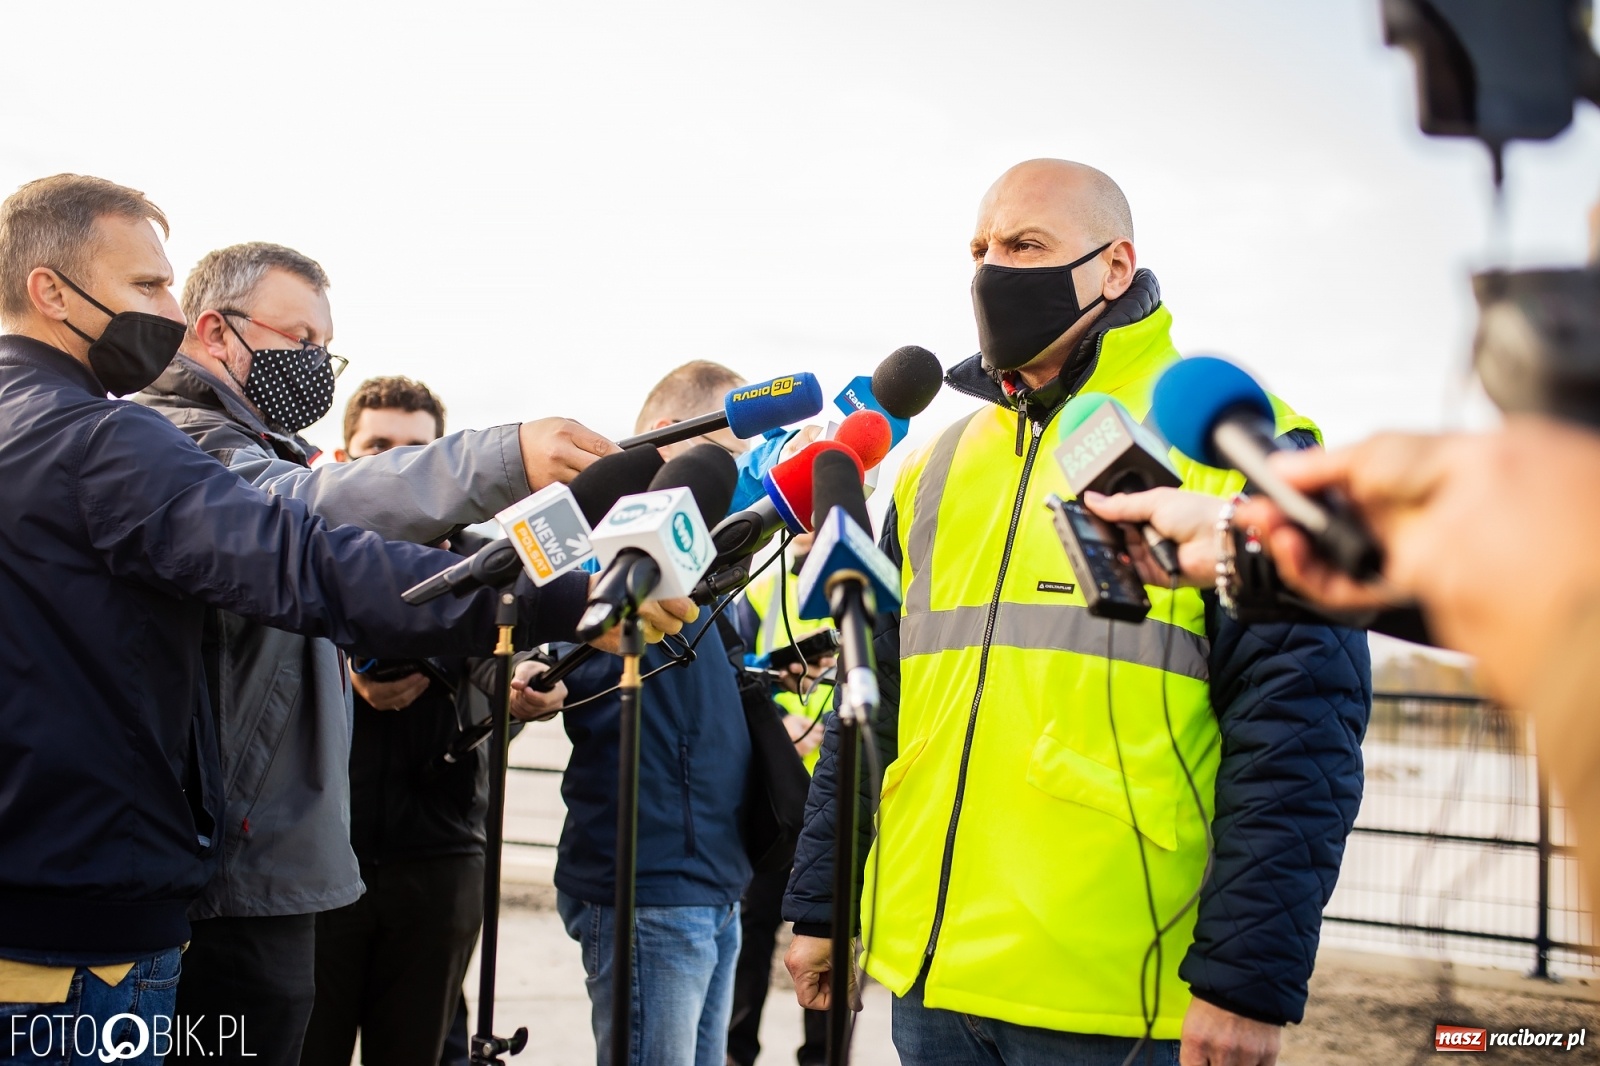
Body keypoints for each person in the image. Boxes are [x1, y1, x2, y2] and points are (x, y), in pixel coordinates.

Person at [0, 175, 691, 1064]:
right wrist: (554, 595)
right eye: (147, 286)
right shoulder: (107, 439)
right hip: (87, 925)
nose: (170, 310)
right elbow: (304, 552)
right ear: (49, 290)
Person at [781, 159, 1372, 1066]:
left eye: (1026, 245)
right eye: (979, 248)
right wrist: (823, 904)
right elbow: (878, 703)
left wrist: (1246, 978)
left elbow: (1302, 730)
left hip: (1120, 994)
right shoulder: (937, 464)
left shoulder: (1237, 443)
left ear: (1115, 267)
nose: (991, 271)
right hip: (928, 981)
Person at [131, 241, 623, 1066]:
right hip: (232, 877)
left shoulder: (260, 446)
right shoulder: (177, 440)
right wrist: (500, 457)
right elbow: (305, 522)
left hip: (318, 863)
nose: (316, 365)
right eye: (303, 341)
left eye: (330, 349)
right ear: (216, 331)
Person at [300, 377, 567, 1066]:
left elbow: (510, 669)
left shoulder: (491, 559)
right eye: (377, 447)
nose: (394, 462)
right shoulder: (297, 552)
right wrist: (344, 671)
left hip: (440, 852)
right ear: (341, 455)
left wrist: (523, 690)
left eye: (414, 450)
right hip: (316, 853)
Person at [546, 361, 756, 1066]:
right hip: (649, 881)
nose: (739, 478)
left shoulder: (706, 557)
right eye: (728, 457)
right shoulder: (591, 546)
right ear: (674, 438)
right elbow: (544, 664)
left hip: (715, 878)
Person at [726, 531, 833, 1066]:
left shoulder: (863, 587)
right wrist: (781, 721)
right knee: (752, 935)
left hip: (837, 802)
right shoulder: (761, 590)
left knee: (830, 940)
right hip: (777, 802)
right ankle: (736, 1054)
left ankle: (823, 1058)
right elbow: (734, 680)